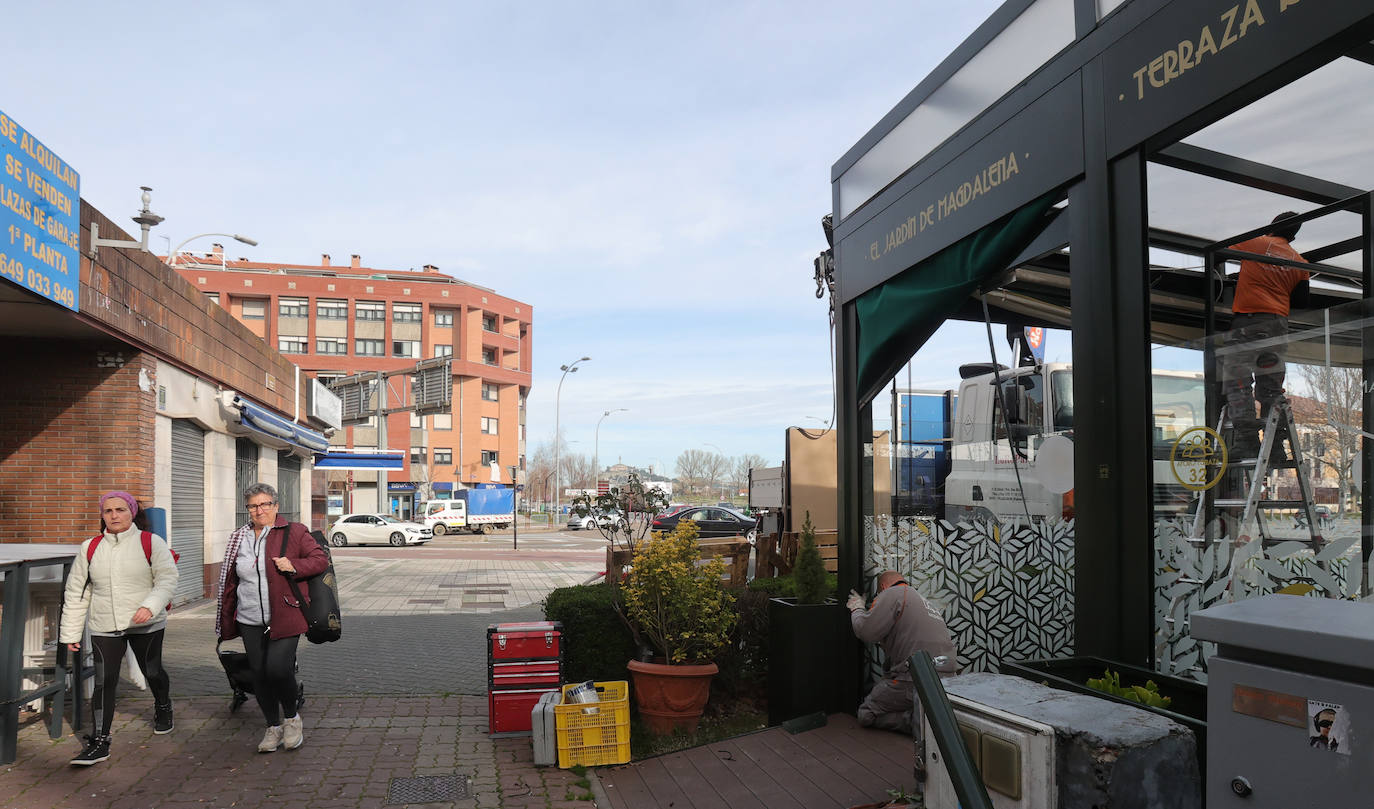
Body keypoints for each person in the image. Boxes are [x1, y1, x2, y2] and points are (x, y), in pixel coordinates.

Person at [59, 492, 179, 766]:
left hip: (145, 623)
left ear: (132, 512)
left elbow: (167, 578)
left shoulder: (150, 542)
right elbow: (77, 591)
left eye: (120, 509)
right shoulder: (90, 547)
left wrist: (150, 605)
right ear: (102, 515)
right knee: (105, 681)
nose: (114, 515)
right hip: (104, 625)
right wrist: (70, 632)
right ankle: (100, 742)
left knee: (152, 671)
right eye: (108, 510)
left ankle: (162, 705)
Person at [215, 483, 327, 753]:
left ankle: (291, 719)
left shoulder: (294, 532)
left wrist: (295, 566)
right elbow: (229, 580)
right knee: (260, 674)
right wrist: (226, 616)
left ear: (276, 506)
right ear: (247, 509)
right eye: (253, 505)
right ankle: (272, 726)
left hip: (286, 613)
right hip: (249, 617)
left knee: (278, 668)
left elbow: (319, 560)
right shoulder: (238, 538)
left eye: (265, 504)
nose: (259, 510)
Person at [1222, 211, 1310, 457]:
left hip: (1248, 323)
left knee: (1238, 381)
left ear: (1272, 226)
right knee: (1270, 387)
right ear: (1293, 235)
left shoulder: (1257, 243)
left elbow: (1225, 247)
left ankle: (1247, 440)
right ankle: (1276, 446)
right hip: (1277, 327)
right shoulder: (1300, 263)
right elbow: (1302, 301)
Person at [846, 570, 958, 735]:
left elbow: (865, 630)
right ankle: (921, 716)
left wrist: (857, 608)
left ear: (883, 587)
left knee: (865, 713)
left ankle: (913, 720)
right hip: (946, 680)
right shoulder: (923, 601)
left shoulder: (892, 593)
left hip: (915, 680)